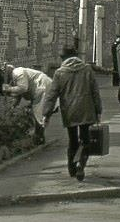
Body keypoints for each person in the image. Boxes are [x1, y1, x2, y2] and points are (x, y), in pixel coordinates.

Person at [41, 46, 102, 181]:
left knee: (72, 140)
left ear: (63, 58)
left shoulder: (59, 73)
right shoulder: (87, 69)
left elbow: (52, 95)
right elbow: (95, 92)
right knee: (86, 140)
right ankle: (81, 165)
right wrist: (98, 111)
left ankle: (72, 168)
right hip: (87, 109)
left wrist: (46, 114)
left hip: (69, 111)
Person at [2, 63, 52, 145]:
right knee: (37, 113)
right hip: (41, 89)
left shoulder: (17, 72)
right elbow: (18, 95)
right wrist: (12, 107)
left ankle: (39, 138)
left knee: (37, 113)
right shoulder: (15, 78)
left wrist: (8, 89)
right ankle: (39, 137)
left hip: (42, 88)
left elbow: (23, 88)